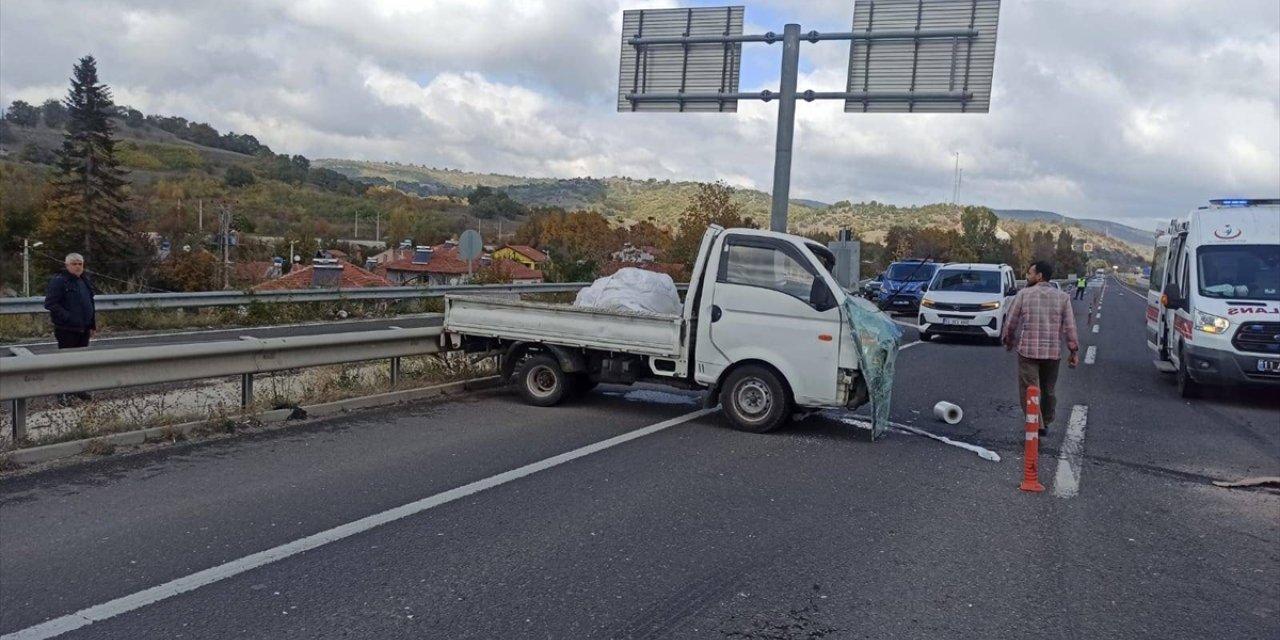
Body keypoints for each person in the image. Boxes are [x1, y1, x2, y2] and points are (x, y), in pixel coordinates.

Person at [1003, 261, 1079, 434]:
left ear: (1039, 276)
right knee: (1048, 389)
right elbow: (1070, 327)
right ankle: (1046, 419)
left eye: (1030, 273)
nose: (1027, 276)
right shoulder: (1062, 297)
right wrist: (1073, 350)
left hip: (1028, 352)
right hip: (1052, 353)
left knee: (1029, 388)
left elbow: (1011, 322)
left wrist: (1008, 341)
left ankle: (1037, 424)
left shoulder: (1024, 295)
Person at [43, 253, 97, 402]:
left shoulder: (83, 280)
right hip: (66, 329)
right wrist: (68, 317)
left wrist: (92, 324)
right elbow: (50, 303)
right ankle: (62, 393)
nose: (78, 266)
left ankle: (78, 389)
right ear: (67, 265)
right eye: (74, 263)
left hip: (83, 328)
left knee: (80, 362)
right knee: (66, 362)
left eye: (80, 263)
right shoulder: (60, 281)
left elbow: (90, 304)